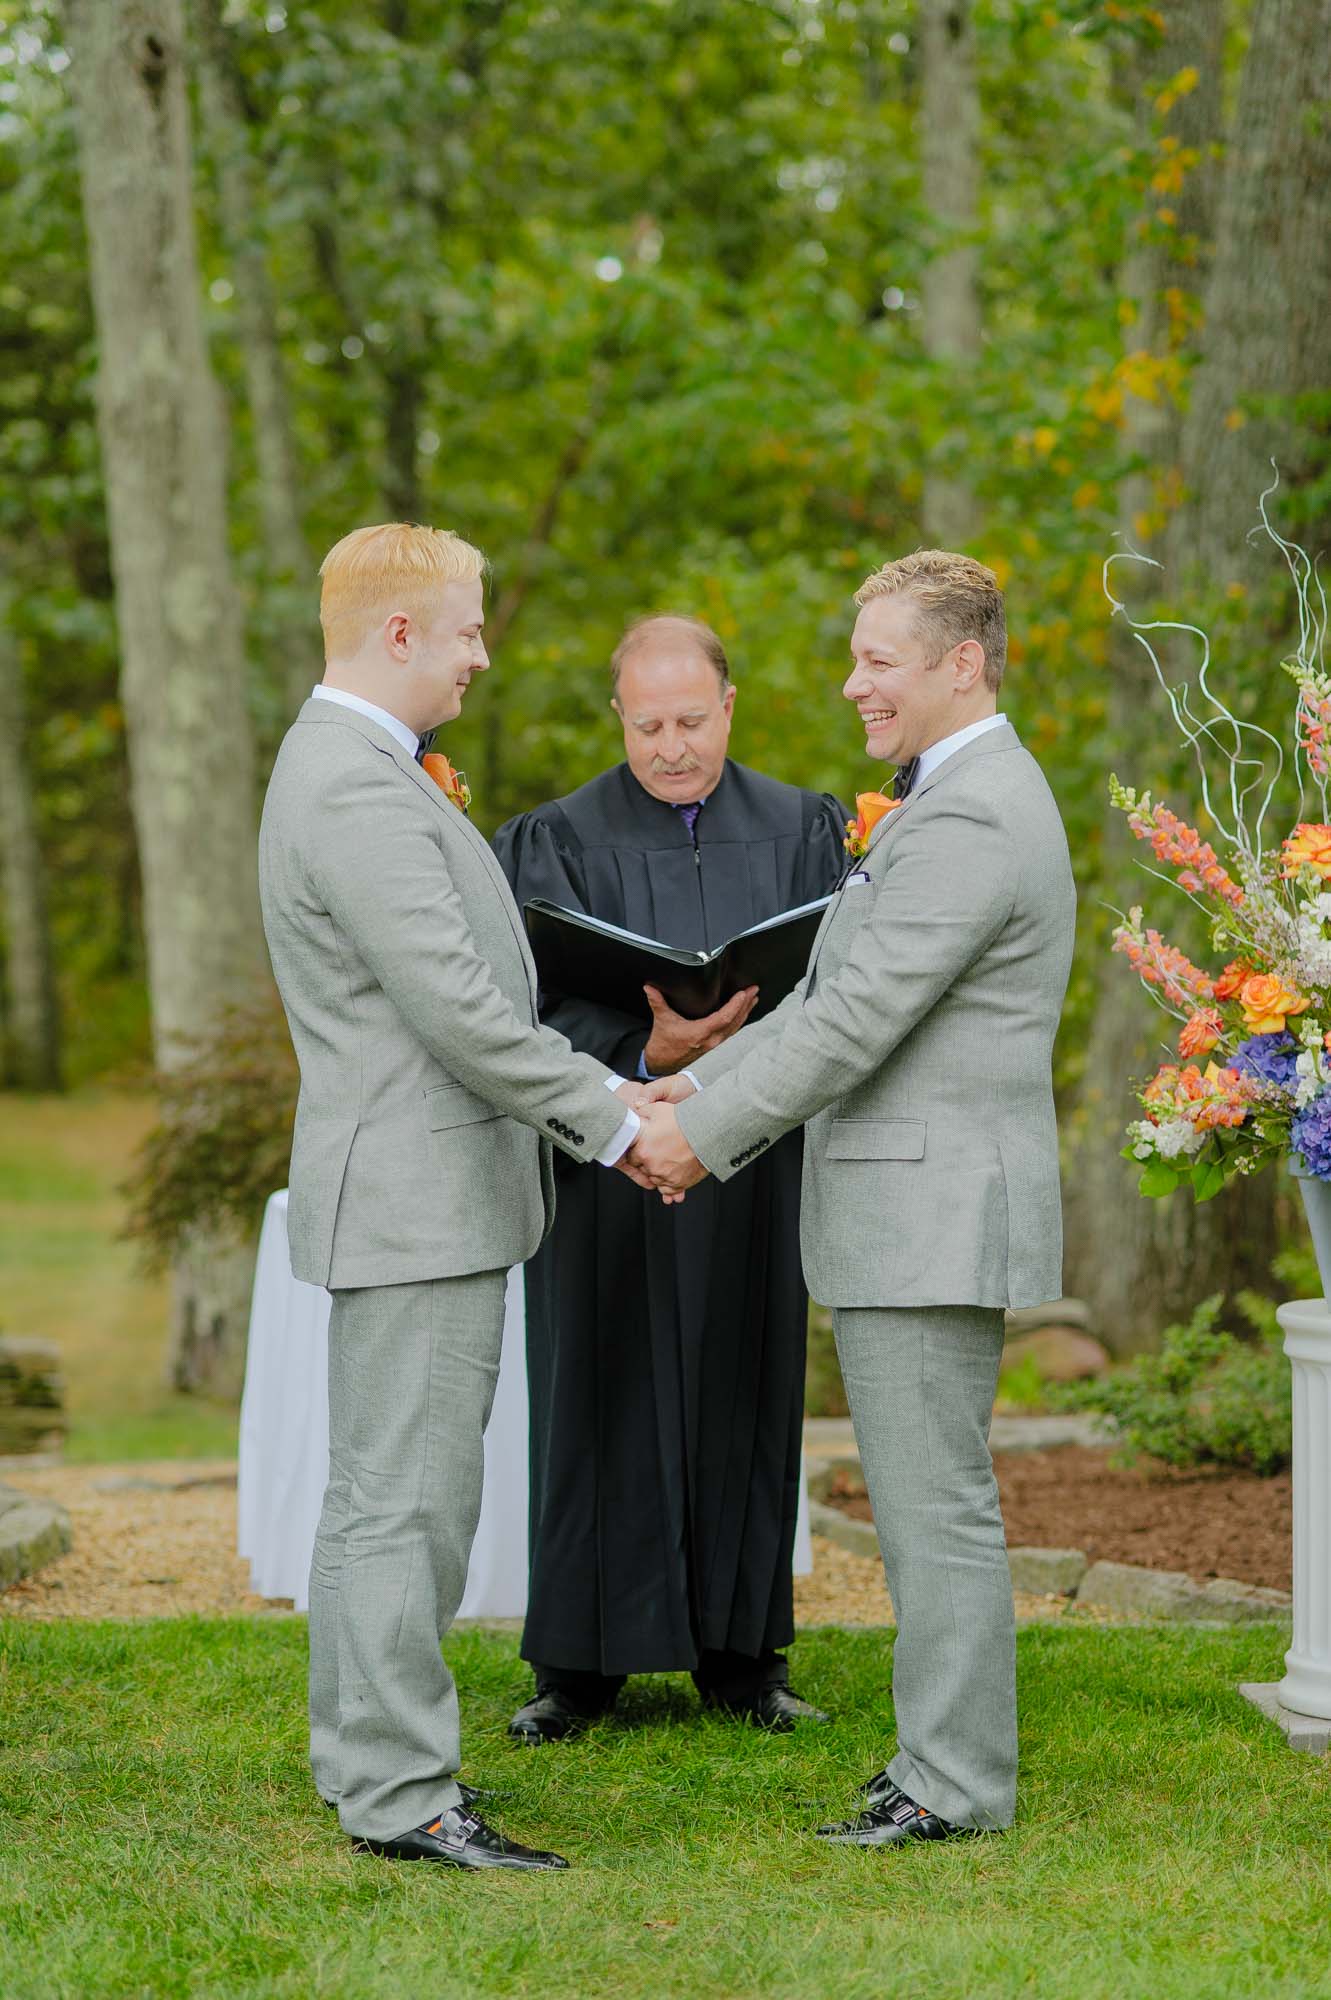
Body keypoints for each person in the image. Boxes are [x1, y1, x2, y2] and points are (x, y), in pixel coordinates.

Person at [632, 552, 1076, 1846]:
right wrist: (681, 1096)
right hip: (909, 1209)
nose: (851, 683)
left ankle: (953, 1780)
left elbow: (858, 1024)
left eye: (877, 659)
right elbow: (830, 1007)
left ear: (959, 663)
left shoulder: (976, 812)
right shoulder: (940, 798)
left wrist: (695, 1137)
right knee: (920, 1496)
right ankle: (935, 1754)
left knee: (931, 1503)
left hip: (929, 1210)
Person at [258, 522, 652, 1872]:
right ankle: (399, 1794)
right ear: (403, 634)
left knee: (391, 1494)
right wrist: (609, 1120)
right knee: (402, 1504)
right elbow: (459, 1014)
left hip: (430, 1194)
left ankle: (367, 1763)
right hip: (416, 1198)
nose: (485, 652)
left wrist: (623, 1093)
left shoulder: (367, 772)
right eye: (472, 627)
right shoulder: (355, 788)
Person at [492, 615, 847, 1740]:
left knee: (743, 1383)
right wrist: (647, 1057)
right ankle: (578, 1668)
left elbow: (837, 993)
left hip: (747, 1157)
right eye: (646, 725)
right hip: (611, 1154)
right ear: (619, 717)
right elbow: (521, 1005)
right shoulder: (554, 836)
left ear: (728, 707)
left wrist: (722, 1072)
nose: (669, 746)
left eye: (690, 720)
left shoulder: (804, 827)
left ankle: (744, 1658)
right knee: (593, 1387)